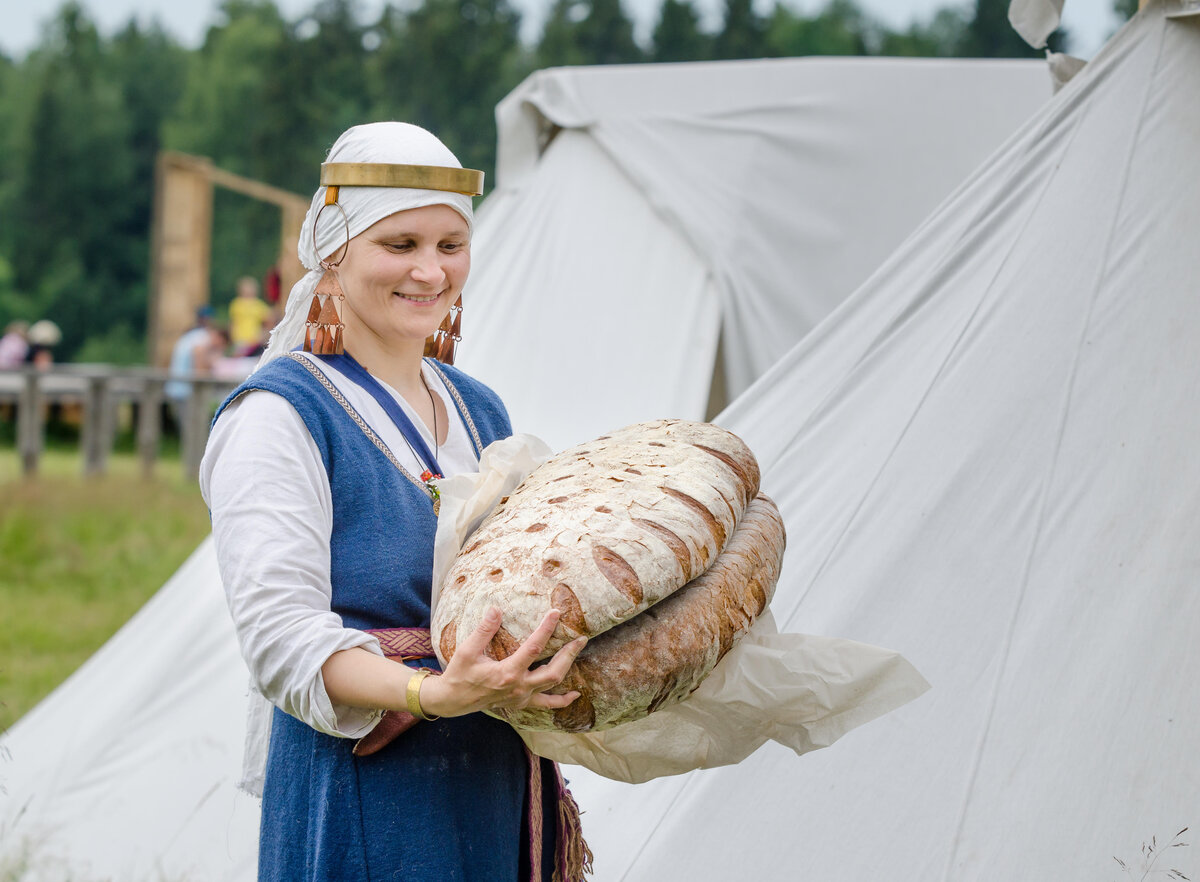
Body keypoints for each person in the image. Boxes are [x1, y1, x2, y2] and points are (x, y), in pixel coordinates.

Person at [199, 122, 591, 882]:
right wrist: (431, 690)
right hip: (366, 792)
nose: (430, 272)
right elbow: (283, 641)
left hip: (491, 777)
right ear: (332, 253)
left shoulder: (482, 410)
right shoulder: (279, 417)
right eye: (400, 243)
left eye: (451, 245)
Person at [227, 275, 272, 354]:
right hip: (239, 339)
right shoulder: (237, 304)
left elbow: (268, 321)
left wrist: (262, 335)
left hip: (254, 340)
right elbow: (233, 322)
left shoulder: (258, 305)